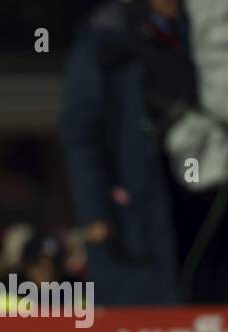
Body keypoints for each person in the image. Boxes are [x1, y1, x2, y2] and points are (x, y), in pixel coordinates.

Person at [60, 0, 194, 304]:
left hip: (197, 206)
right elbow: (81, 134)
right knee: (136, 325)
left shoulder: (202, 35)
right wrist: (94, 211)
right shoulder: (105, 40)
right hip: (133, 219)